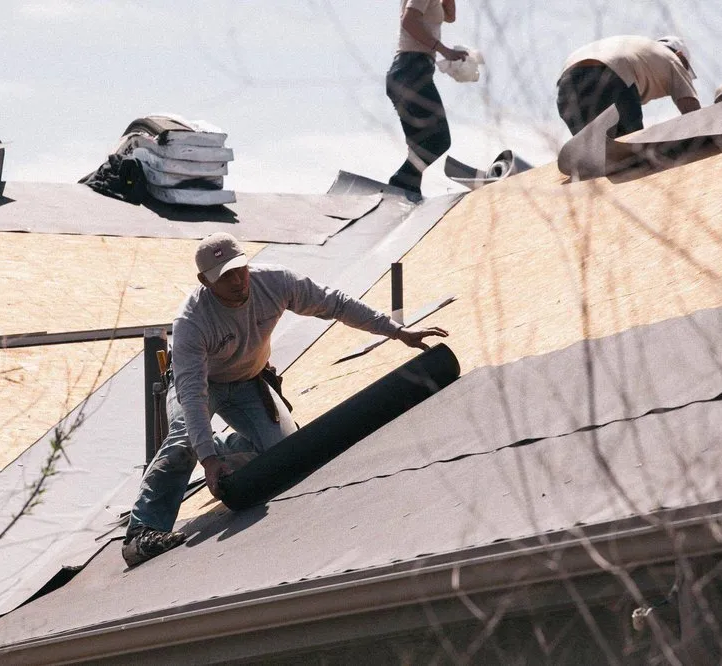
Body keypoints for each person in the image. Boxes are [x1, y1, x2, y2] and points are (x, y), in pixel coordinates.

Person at [122, 232, 449, 566]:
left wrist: (397, 331)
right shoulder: (193, 321)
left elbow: (334, 302)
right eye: (225, 277)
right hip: (199, 383)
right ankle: (142, 531)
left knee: (285, 455)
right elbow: (192, 397)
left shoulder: (275, 283)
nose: (237, 281)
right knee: (185, 441)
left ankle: (223, 447)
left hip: (249, 379)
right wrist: (205, 458)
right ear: (205, 281)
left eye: (240, 269)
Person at [386, 0, 468, 202]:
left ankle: (407, 193)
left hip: (410, 72)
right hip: (411, 71)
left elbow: (450, 16)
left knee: (420, 146)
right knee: (438, 140)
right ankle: (399, 184)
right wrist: (444, 50)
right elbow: (409, 21)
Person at [556, 35, 701, 138]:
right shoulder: (673, 59)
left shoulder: (644, 51)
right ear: (680, 55)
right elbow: (692, 112)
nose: (685, 74)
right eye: (686, 68)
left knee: (595, 146)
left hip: (566, 82)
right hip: (612, 75)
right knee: (631, 144)